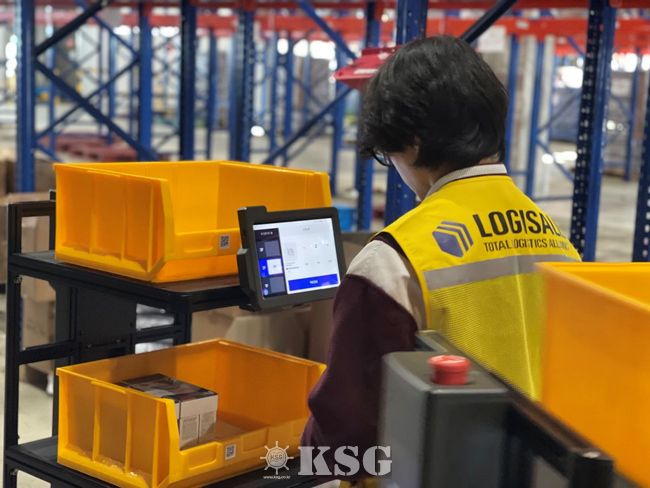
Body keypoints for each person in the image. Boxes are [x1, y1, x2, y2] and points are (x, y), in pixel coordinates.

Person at [300, 35, 580, 478]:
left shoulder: (392, 262)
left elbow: (344, 443)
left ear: (411, 140)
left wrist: (293, 457)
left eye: (389, 152)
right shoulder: (558, 241)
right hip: (532, 472)